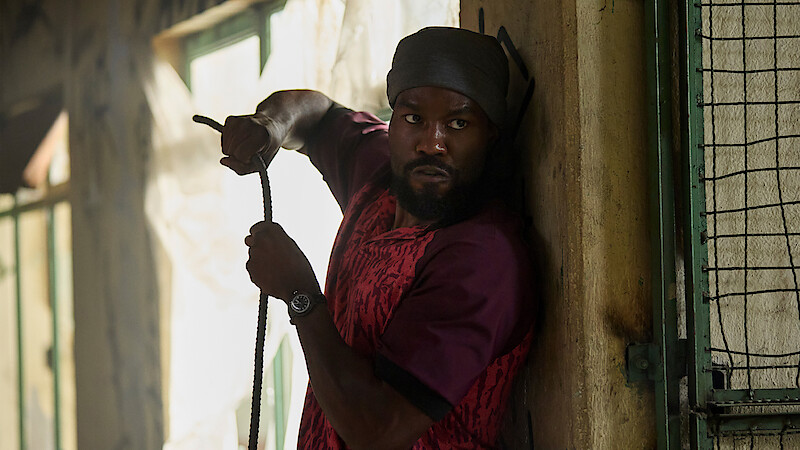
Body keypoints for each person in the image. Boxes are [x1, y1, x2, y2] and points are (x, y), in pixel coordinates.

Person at [220, 26, 535, 449]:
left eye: (458, 123)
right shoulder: (380, 177)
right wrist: (270, 125)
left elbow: (377, 430)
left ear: (489, 134)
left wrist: (300, 294)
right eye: (413, 118)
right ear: (393, 123)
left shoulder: (482, 260)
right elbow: (319, 115)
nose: (432, 144)